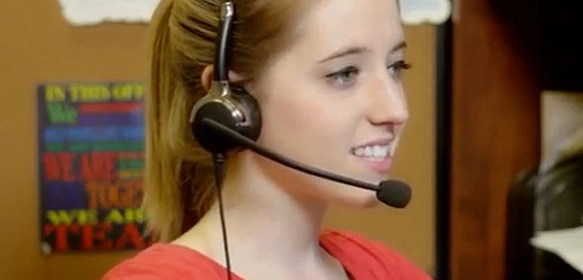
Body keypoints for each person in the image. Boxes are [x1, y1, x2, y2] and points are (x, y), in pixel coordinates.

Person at [102, 0, 431, 279]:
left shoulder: (384, 269)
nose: (396, 110)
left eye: (395, 66)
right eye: (344, 74)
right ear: (230, 100)